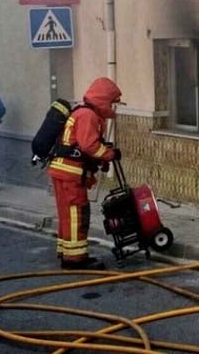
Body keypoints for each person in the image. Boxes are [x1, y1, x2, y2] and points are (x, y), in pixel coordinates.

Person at [48, 77, 122, 270]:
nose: (113, 107)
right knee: (76, 215)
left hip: (61, 171)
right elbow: (89, 145)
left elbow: (80, 145)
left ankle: (66, 252)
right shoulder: (88, 116)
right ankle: (76, 259)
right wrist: (110, 154)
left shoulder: (81, 112)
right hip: (71, 175)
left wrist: (101, 160)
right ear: (104, 99)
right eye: (112, 102)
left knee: (66, 214)